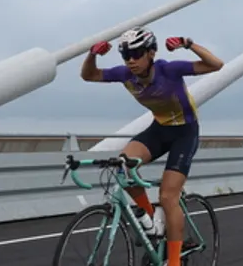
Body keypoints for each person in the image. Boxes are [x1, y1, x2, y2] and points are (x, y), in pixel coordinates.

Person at [81, 27, 223, 266]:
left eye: (136, 54)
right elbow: (89, 75)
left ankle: (175, 261)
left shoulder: (169, 69)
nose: (131, 60)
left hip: (184, 133)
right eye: (126, 55)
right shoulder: (125, 74)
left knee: (168, 197)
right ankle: (149, 216)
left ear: (151, 53)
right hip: (159, 130)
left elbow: (216, 64)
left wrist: (188, 43)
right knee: (123, 165)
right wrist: (92, 54)